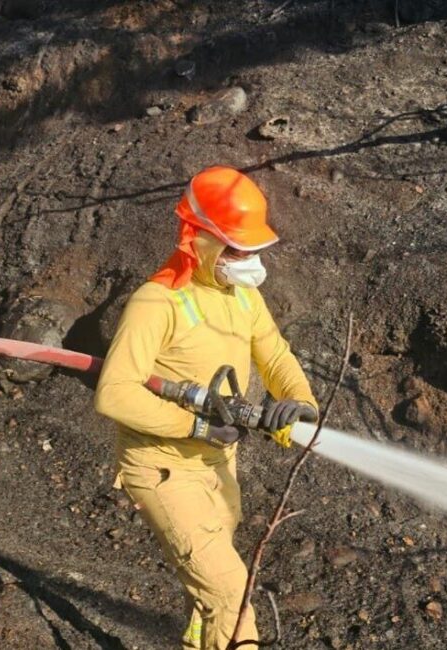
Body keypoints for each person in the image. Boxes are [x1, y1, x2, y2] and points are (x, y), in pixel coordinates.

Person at [95, 166, 318, 649]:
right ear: (198, 239)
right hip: (163, 470)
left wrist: (298, 402)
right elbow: (114, 392)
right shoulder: (156, 303)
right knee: (231, 595)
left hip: (219, 466)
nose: (250, 262)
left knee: (209, 594)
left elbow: (275, 355)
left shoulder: (243, 296)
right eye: (237, 250)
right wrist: (194, 426)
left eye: (253, 249)